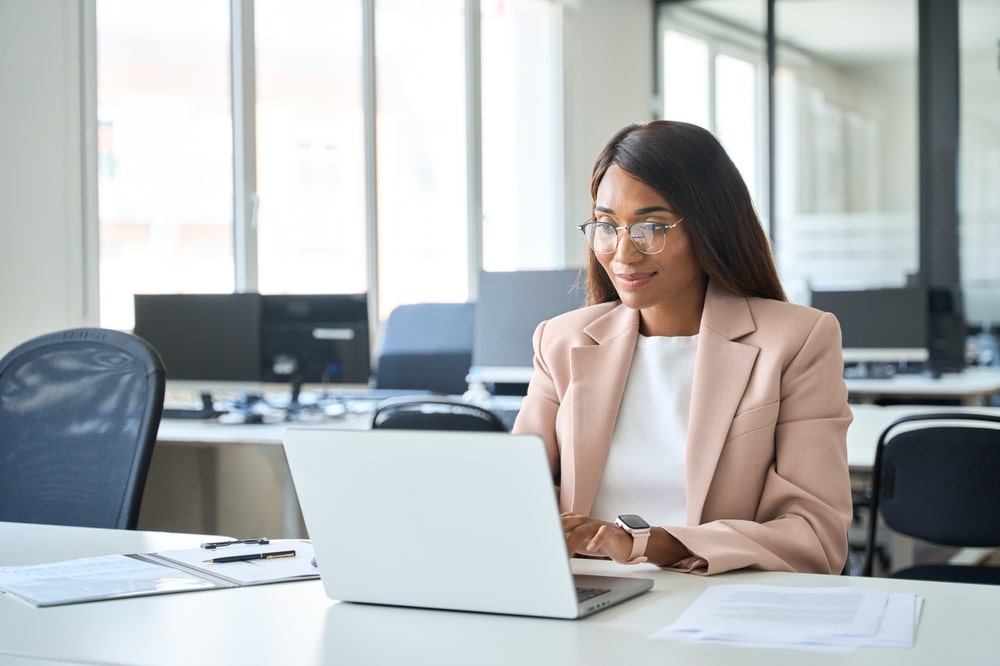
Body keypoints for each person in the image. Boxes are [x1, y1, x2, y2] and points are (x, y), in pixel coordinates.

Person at [511, 120, 853, 575]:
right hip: (585, 597)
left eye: (651, 227)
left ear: (710, 226)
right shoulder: (560, 341)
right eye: (607, 226)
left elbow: (816, 537)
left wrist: (648, 544)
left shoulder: (796, 340)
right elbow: (514, 498)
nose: (623, 254)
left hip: (717, 604)